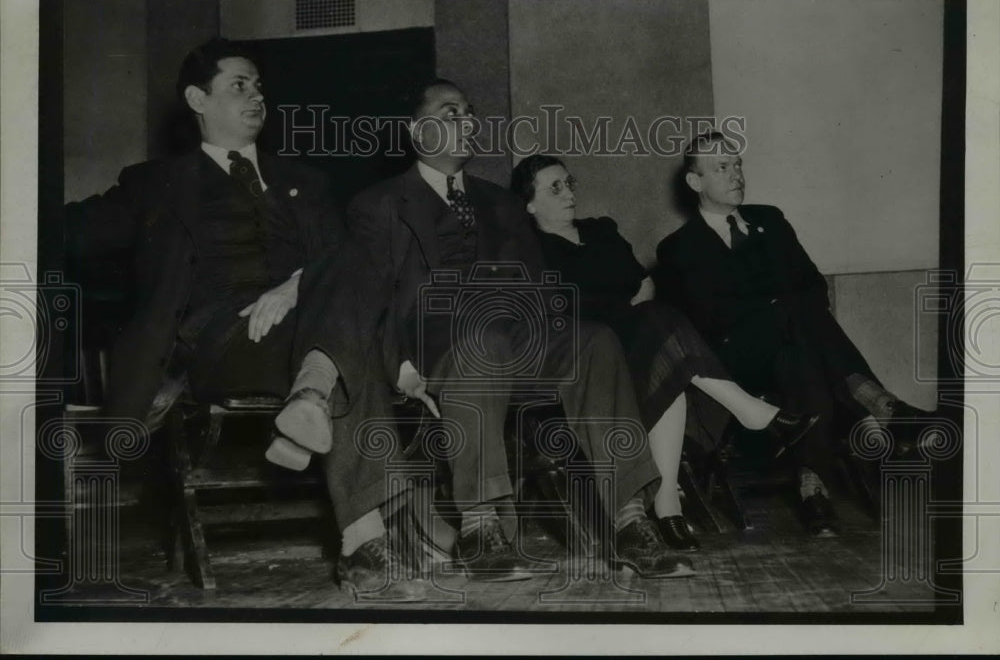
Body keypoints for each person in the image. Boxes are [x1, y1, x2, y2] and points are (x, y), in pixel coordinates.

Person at [64, 38, 428, 601]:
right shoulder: (155, 182)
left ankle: (319, 414)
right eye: (239, 84)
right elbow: (62, 232)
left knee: (361, 258)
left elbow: (350, 267)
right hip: (223, 337)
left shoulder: (306, 180)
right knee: (349, 342)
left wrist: (294, 284)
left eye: (259, 85)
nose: (257, 95)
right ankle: (366, 521)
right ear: (197, 98)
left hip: (308, 324)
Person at [341, 78, 695, 581]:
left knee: (594, 341)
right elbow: (367, 302)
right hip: (436, 350)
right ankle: (480, 528)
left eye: (468, 112)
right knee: (483, 342)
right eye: (449, 113)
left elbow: (538, 291)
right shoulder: (377, 205)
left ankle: (630, 519)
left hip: (514, 341)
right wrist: (400, 368)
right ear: (415, 130)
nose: (466, 123)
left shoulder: (500, 204)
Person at [511, 154, 820, 550]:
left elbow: (645, 286)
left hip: (639, 346)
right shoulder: (528, 249)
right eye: (554, 187)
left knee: (663, 341)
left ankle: (669, 503)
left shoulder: (600, 230)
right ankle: (749, 415)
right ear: (529, 203)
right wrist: (618, 306)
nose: (569, 192)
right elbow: (561, 312)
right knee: (660, 334)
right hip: (591, 364)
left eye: (569, 182)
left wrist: (609, 305)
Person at [653, 131, 936, 537]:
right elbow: (710, 319)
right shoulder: (678, 247)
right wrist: (773, 307)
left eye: (738, 165)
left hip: (792, 352)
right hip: (737, 366)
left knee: (798, 353)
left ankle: (812, 486)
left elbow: (814, 286)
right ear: (695, 182)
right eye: (722, 167)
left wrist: (778, 310)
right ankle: (885, 407)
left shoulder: (770, 219)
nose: (737, 175)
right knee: (794, 316)